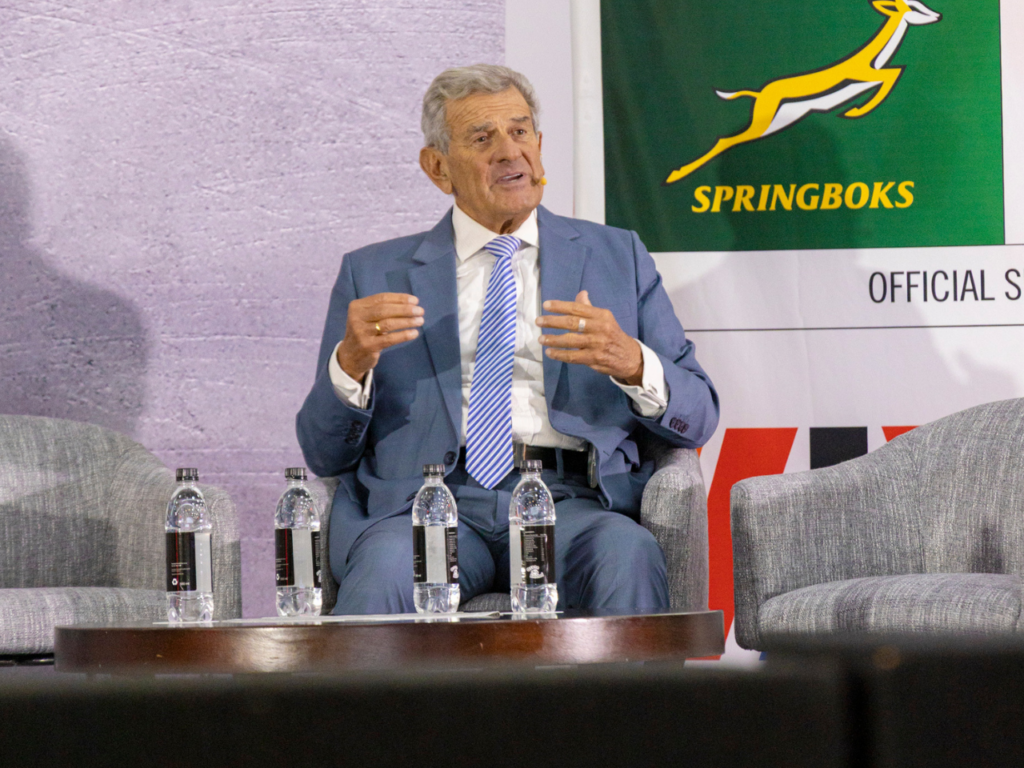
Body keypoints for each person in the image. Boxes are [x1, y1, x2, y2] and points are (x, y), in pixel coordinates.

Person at [297, 64, 718, 614]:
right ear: (437, 167)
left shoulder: (618, 257)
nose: (508, 151)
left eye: (519, 132)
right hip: (428, 506)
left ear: (539, 147)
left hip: (572, 503)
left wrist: (633, 363)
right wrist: (350, 363)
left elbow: (699, 413)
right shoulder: (375, 274)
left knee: (627, 554)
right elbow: (323, 453)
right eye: (481, 138)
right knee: (384, 570)